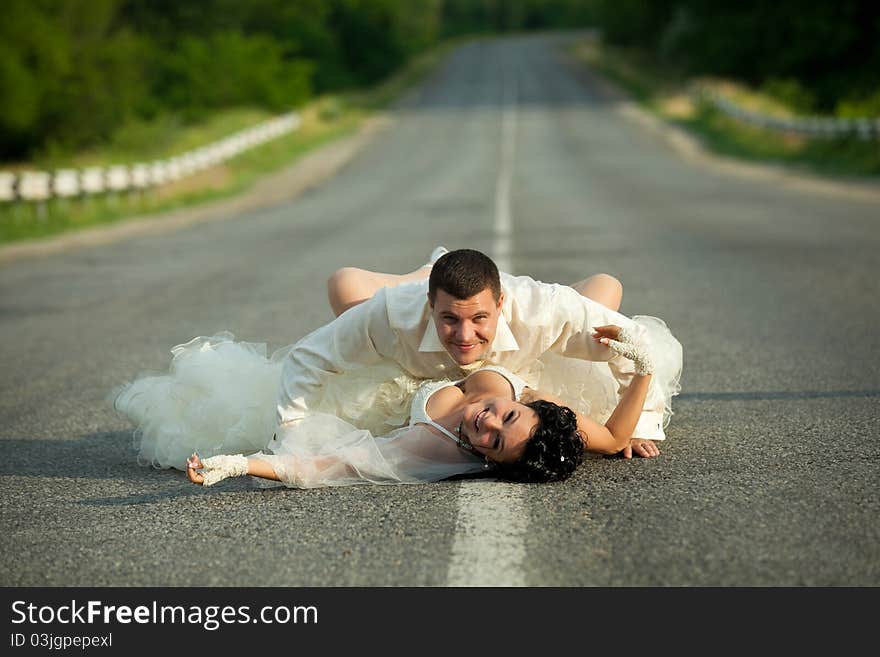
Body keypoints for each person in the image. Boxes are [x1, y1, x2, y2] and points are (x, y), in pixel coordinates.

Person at [279, 247, 681, 458]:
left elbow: (634, 345)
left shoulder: (547, 311)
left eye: (479, 319)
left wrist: (644, 423)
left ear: (501, 304)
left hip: (526, 342)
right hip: (412, 309)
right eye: (449, 319)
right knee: (344, 284)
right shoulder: (390, 317)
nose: (466, 336)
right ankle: (431, 269)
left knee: (607, 287)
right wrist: (292, 432)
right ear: (430, 307)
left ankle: (446, 270)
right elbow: (308, 357)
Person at [183, 322, 655, 488]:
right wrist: (643, 367)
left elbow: (326, 466)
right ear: (529, 408)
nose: (485, 420)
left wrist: (242, 463)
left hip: (397, 373)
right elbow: (613, 439)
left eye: (492, 441)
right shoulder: (543, 411)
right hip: (491, 337)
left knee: (346, 288)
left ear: (489, 460)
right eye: (506, 414)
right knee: (604, 288)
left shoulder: (433, 447)